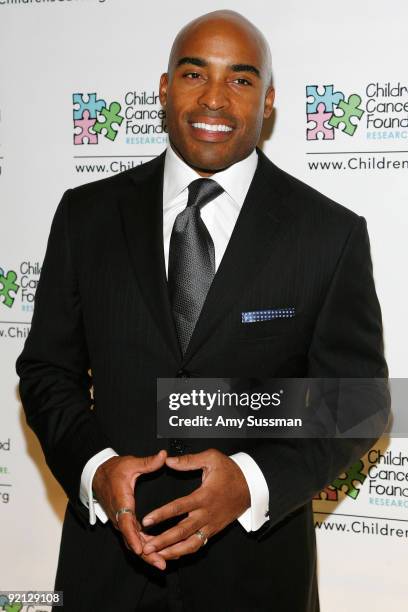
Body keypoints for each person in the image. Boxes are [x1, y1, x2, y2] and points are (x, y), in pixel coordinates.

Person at [16, 10, 389, 612]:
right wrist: (96, 469)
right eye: (194, 74)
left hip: (257, 577)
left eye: (241, 80)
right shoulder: (86, 215)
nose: (214, 99)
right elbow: (46, 371)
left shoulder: (329, 234)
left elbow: (361, 401)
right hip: (106, 571)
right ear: (165, 89)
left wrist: (251, 483)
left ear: (268, 103)